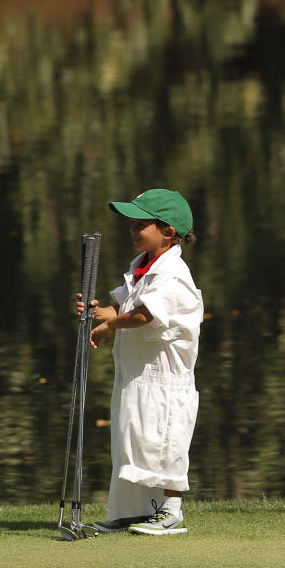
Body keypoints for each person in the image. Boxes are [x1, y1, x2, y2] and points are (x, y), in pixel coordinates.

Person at [76, 189, 202, 535]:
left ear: (168, 232)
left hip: (166, 379)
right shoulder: (142, 267)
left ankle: (171, 512)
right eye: (131, 224)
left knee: (164, 443)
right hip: (137, 375)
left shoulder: (173, 273)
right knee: (132, 441)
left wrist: (111, 324)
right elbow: (122, 307)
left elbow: (145, 316)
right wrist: (96, 312)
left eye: (141, 224)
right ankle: (132, 512)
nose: (133, 230)